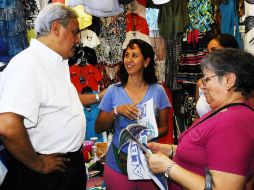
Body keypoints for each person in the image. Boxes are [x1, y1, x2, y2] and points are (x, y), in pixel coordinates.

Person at [0, 3, 94, 190]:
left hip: (66, 165)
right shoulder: (27, 64)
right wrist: (38, 164)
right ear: (56, 28)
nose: (78, 39)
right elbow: (7, 125)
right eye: (75, 32)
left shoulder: (56, 62)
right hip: (48, 172)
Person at [146, 48, 254, 190]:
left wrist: (168, 167)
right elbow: (208, 151)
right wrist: (171, 150)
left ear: (229, 80)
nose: (202, 86)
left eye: (206, 79)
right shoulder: (225, 110)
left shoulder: (233, 123)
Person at [95, 39, 171, 189]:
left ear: (146, 61)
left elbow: (164, 128)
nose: (128, 60)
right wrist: (117, 111)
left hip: (149, 162)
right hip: (118, 163)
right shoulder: (113, 91)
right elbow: (98, 127)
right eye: (127, 55)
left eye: (135, 55)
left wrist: (145, 133)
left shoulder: (158, 91)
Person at [195, 33, 239, 118]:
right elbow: (197, 118)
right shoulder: (201, 83)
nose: (209, 56)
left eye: (214, 51)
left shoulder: (242, 83)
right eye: (208, 52)